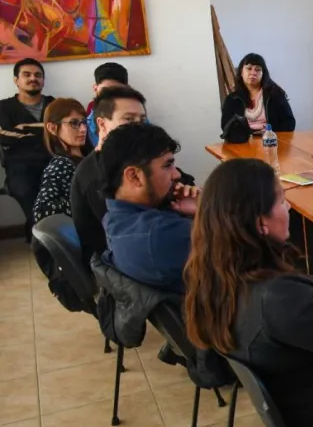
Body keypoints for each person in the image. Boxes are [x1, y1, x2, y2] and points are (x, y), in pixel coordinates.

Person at [185, 158, 313, 427]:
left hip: (296, 411)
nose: (288, 208)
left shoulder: (214, 275)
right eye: (281, 201)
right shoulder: (282, 298)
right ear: (260, 223)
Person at [100, 123, 198, 294]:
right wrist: (208, 207)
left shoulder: (115, 218)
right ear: (134, 176)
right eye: (167, 165)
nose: (177, 174)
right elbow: (244, 244)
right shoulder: (160, 234)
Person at [71, 86, 151, 262]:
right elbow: (127, 233)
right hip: (114, 263)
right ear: (102, 124)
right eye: (129, 119)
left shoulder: (129, 159)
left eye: (142, 120)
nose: (139, 127)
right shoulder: (96, 175)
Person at [0, 58, 54, 239]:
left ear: (43, 81)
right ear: (16, 80)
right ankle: (43, 239)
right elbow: (4, 137)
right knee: (25, 191)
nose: (33, 78)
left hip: (52, 161)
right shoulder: (3, 107)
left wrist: (22, 128)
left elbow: (61, 130)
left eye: (38, 75)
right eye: (27, 75)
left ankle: (43, 236)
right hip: (19, 166)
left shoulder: (54, 104)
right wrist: (44, 129)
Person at [32, 99, 93, 224]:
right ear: (53, 128)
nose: (83, 129)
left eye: (84, 122)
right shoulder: (61, 164)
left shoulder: (90, 156)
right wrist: (86, 203)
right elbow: (41, 210)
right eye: (74, 123)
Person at [221, 53, 296, 134]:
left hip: (271, 138)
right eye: (249, 68)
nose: (253, 73)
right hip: (244, 140)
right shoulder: (232, 99)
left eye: (257, 69)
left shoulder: (275, 94)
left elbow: (289, 123)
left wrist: (270, 133)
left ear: (263, 74)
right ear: (241, 72)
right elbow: (226, 126)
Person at [85, 62, 146, 146]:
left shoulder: (139, 116)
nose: (113, 96)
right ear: (95, 89)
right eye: (106, 90)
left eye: (119, 90)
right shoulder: (84, 127)